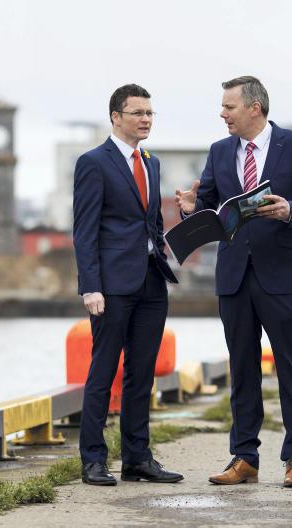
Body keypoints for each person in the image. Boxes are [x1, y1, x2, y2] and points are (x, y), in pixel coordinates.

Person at [175, 76, 292, 488]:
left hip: (283, 274)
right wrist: (191, 207)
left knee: (291, 369)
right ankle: (244, 458)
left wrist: (290, 210)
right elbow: (210, 207)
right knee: (242, 371)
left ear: (254, 108)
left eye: (229, 107)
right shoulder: (220, 151)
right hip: (234, 276)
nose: (222, 114)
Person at [73, 84, 183, 486]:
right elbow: (84, 230)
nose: (146, 119)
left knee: (142, 374)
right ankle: (93, 460)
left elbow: (150, 222)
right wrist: (90, 287)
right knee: (103, 372)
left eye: (150, 113)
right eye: (138, 113)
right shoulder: (93, 163)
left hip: (152, 281)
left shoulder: (151, 163)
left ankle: (137, 459)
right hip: (112, 286)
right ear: (116, 117)